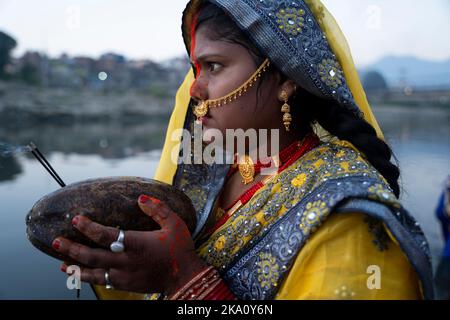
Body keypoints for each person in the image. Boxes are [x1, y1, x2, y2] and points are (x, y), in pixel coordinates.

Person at [52, 0, 434, 300]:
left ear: (285, 78)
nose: (193, 90)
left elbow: (175, 279)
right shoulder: (211, 173)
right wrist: (114, 257)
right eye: (195, 70)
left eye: (214, 66)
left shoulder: (349, 223)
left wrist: (184, 279)